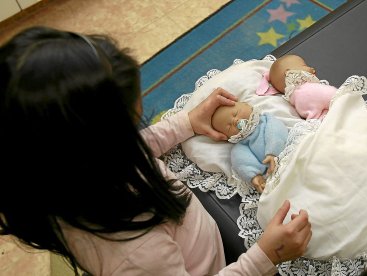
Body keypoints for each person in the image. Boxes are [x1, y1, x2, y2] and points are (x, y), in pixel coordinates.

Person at [0, 26, 311, 275]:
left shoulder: (66, 172)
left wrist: (186, 123)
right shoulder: (137, 255)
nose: (139, 132)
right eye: (132, 123)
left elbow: (133, 149)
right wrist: (265, 257)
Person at [211, 102, 288, 193]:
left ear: (248, 105)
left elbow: (277, 131)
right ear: (227, 137)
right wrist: (254, 176)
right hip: (275, 170)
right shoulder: (241, 145)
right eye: (229, 127)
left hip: (288, 152)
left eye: (235, 114)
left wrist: (272, 152)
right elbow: (241, 161)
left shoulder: (266, 120)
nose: (234, 121)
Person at [256, 54, 337, 120]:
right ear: (289, 73)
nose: (312, 68)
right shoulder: (306, 90)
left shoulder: (296, 100)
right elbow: (334, 96)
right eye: (304, 65)